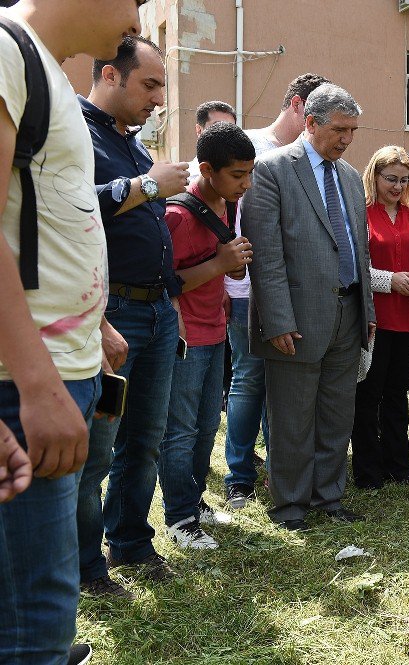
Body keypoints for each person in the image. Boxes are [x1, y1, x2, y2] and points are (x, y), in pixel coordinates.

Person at [0, 1, 142, 660]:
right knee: (37, 605)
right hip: (25, 382)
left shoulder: (46, 71)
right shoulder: (8, 51)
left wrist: (97, 326)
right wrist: (35, 380)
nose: (138, 20)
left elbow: (45, 221)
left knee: (41, 593)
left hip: (64, 368)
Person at [77, 34, 191, 598]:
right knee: (96, 450)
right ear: (109, 75)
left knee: (144, 438)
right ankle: (86, 567)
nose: (157, 99)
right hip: (108, 312)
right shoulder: (73, 133)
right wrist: (148, 185)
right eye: (149, 85)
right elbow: (72, 205)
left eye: (161, 87)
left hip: (154, 310)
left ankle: (130, 542)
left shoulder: (133, 141)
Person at [241, 83, 375, 530]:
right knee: (293, 418)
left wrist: (367, 311)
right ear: (311, 122)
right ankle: (291, 506)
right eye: (339, 129)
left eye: (353, 130)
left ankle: (328, 498)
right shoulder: (272, 170)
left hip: (349, 312)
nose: (346, 139)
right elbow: (267, 252)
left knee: (338, 414)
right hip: (295, 319)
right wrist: (276, 318)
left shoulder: (352, 178)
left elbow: (360, 250)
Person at [223, 72, 330, 510]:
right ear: (301, 107)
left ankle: (279, 470)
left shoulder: (314, 159)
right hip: (248, 290)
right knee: (249, 380)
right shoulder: (252, 148)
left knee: (286, 388)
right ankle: (239, 477)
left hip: (296, 294)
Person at [160, 123, 255, 549]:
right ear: (207, 169)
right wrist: (220, 265)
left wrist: (230, 267)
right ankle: (180, 519)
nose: (245, 184)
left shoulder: (223, 203)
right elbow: (166, 282)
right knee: (179, 431)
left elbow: (215, 262)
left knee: (204, 426)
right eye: (237, 175)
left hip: (215, 328)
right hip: (186, 337)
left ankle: (194, 501)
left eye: (249, 174)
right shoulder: (178, 214)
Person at [353, 147, 409, 487]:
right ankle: (368, 472)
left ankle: (398, 466)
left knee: (398, 395)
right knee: (368, 397)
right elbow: (355, 269)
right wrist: (390, 281)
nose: (398, 187)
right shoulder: (360, 212)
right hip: (374, 320)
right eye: (392, 179)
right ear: (374, 175)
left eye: (404, 180)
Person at [186, 100, 236, 178]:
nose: (225, 133)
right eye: (217, 126)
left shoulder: (247, 175)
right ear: (199, 130)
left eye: (231, 128)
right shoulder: (186, 177)